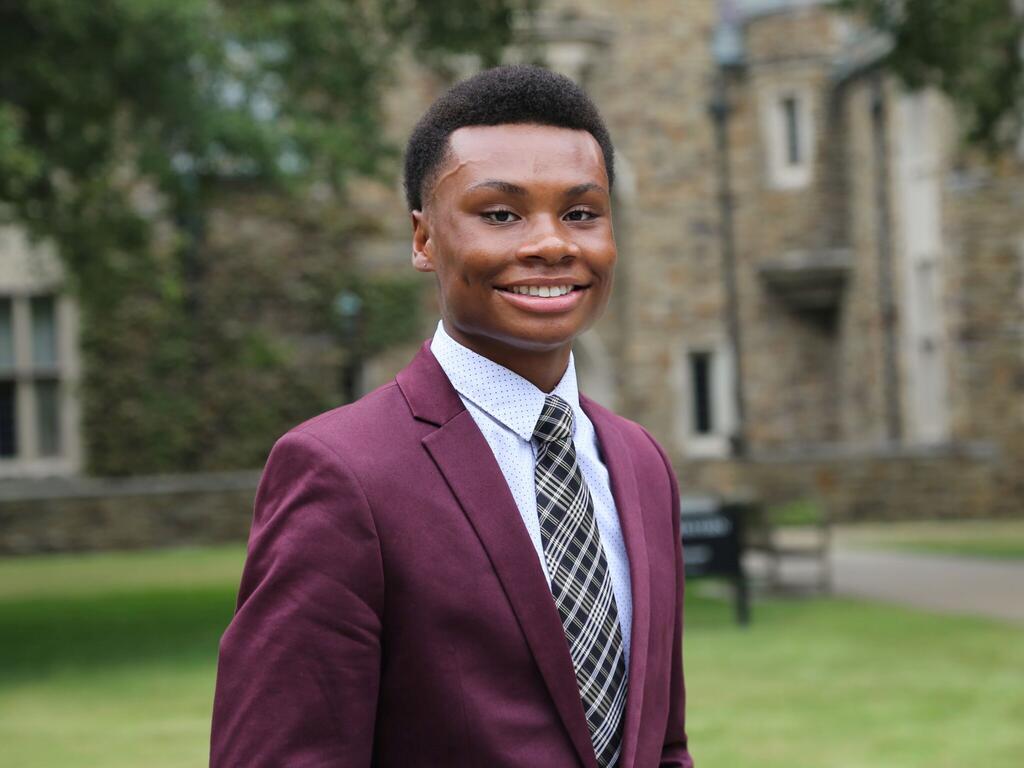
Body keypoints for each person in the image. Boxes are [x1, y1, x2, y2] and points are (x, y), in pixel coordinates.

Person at [210, 64, 693, 768]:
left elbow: (663, 745)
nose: (552, 243)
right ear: (424, 239)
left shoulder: (641, 463)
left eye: (581, 213)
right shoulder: (342, 473)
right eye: (501, 214)